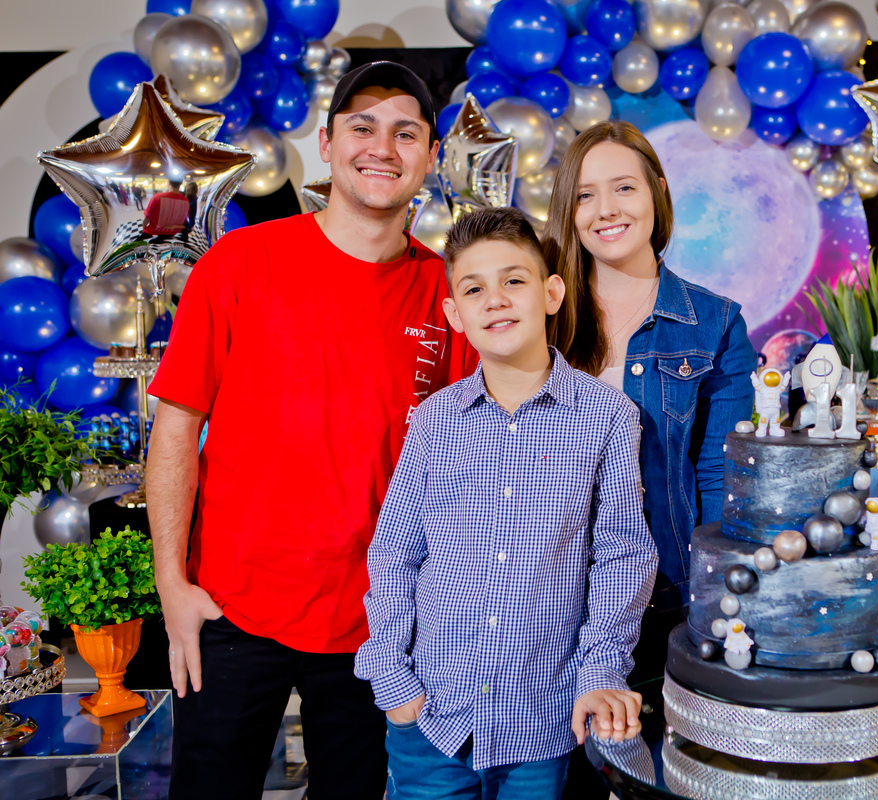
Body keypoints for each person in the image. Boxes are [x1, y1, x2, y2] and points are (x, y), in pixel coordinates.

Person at [145, 62, 476, 800]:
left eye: (405, 133)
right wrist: (172, 585)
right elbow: (176, 428)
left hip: (378, 623)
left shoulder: (449, 295)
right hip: (232, 607)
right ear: (327, 144)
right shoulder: (240, 263)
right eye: (362, 127)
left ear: (430, 156)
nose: (382, 148)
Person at [355, 206, 658, 799]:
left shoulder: (607, 417)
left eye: (513, 280)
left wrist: (599, 672)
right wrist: (393, 678)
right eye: (474, 289)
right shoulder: (434, 421)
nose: (495, 300)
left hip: (543, 722)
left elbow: (621, 558)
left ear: (551, 294)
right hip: (431, 717)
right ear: (455, 314)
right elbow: (394, 554)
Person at [542, 121, 756, 793]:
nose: (605, 210)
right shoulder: (539, 314)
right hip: (540, 601)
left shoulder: (715, 323)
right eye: (585, 195)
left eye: (624, 188)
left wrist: (716, 608)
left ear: (658, 192)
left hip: (662, 601)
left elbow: (722, 479)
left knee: (660, 780)